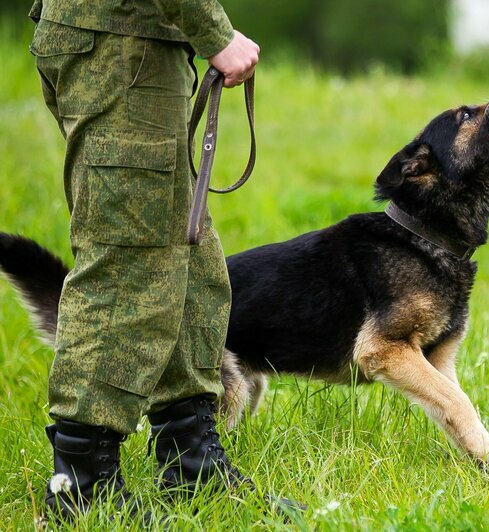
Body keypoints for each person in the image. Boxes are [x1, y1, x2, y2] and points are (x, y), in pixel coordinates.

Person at [27, 0, 296, 519]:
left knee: (188, 254)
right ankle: (80, 488)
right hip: (116, 49)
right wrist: (212, 31)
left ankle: (191, 463)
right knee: (126, 260)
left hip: (140, 42)